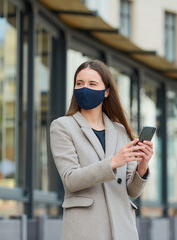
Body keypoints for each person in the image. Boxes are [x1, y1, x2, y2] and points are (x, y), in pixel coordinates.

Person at [50, 59, 154, 240]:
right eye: (79, 83)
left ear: (106, 91)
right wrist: (113, 162)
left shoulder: (120, 130)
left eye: (92, 84)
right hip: (86, 229)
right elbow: (70, 180)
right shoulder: (62, 127)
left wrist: (142, 166)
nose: (84, 89)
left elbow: (133, 191)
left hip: (123, 229)